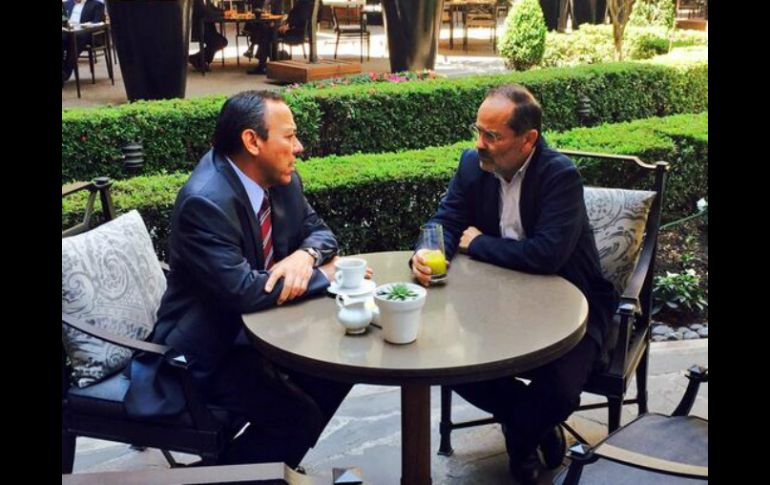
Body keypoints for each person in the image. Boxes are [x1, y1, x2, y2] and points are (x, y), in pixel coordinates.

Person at [125, 90, 358, 469]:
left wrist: (305, 256)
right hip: (208, 349)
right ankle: (226, 477)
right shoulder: (205, 202)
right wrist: (322, 273)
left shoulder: (280, 179)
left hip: (264, 331)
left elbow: (320, 233)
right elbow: (245, 291)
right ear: (252, 141)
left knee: (341, 367)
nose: (298, 147)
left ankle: (263, 467)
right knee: (297, 414)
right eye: (289, 136)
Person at [410, 84, 618, 484]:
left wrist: (479, 244)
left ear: (528, 140)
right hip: (495, 304)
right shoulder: (473, 165)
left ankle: (521, 440)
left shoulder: (559, 175)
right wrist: (426, 249)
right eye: (478, 131)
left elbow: (547, 256)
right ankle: (532, 427)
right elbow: (445, 220)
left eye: (492, 136)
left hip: (574, 307)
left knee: (558, 392)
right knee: (448, 365)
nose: (480, 144)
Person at [244, 0, 313, 75]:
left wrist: (288, 26)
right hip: (293, 28)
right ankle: (265, 62)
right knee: (265, 29)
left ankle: (263, 64)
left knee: (266, 32)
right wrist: (286, 23)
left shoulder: (305, 2)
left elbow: (303, 17)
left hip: (295, 31)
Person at [62, 0, 105, 84]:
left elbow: (97, 22)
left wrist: (85, 25)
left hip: (86, 34)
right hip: (68, 32)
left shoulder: (97, 5)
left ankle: (66, 72)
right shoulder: (67, 4)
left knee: (77, 38)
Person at [189, 0, 229, 72]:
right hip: (199, 29)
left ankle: (198, 59)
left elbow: (212, 8)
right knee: (220, 42)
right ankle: (199, 59)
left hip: (208, 29)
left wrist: (226, 11)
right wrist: (222, 13)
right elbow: (204, 12)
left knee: (222, 41)